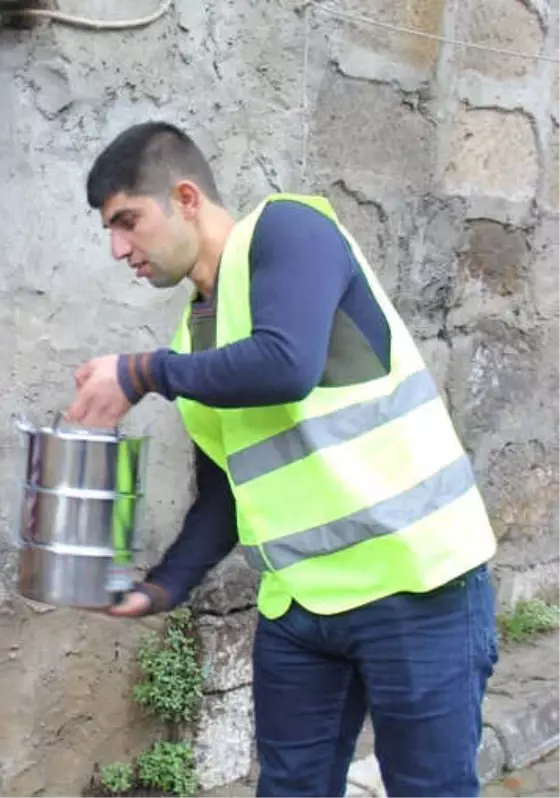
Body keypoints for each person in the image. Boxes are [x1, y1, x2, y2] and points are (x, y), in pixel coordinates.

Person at [65, 122, 499, 798]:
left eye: (128, 220)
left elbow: (286, 363)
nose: (120, 248)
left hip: (414, 583)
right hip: (300, 606)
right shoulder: (194, 334)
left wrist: (141, 372)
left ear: (185, 198)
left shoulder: (290, 230)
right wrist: (164, 585)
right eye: (110, 232)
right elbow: (229, 487)